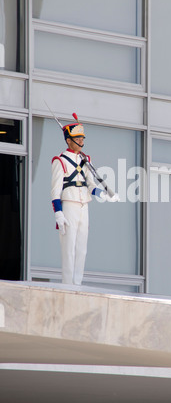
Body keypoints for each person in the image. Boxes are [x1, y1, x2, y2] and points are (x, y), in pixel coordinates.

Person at [51, 120, 118, 285]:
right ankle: (67, 284)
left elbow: (91, 185)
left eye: (82, 138)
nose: (81, 142)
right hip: (69, 205)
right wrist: (58, 213)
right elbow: (55, 191)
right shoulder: (60, 161)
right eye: (77, 138)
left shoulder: (86, 159)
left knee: (82, 248)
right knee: (69, 248)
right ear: (68, 140)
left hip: (84, 206)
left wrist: (105, 195)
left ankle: (78, 283)